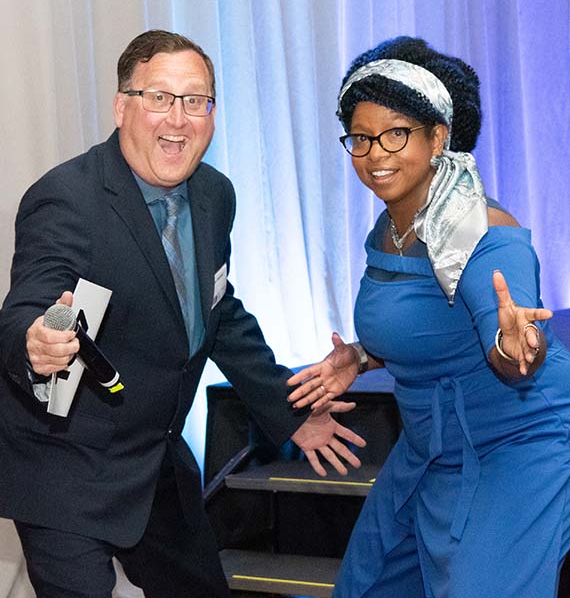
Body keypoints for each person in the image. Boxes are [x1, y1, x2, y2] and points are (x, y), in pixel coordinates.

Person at [0, 30, 365, 598]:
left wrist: (287, 412)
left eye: (196, 101)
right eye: (160, 98)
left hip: (157, 462)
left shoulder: (215, 194)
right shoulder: (67, 197)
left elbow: (218, 312)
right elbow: (29, 300)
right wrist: (35, 341)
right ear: (123, 107)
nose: (179, 119)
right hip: (66, 465)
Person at [287, 36, 570, 597]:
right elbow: (426, 324)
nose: (375, 154)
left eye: (396, 134)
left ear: (439, 137)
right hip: (428, 446)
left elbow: (505, 335)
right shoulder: (389, 227)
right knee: (367, 585)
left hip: (513, 444)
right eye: (361, 138)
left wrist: (517, 346)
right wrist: (362, 357)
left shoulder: (487, 233)